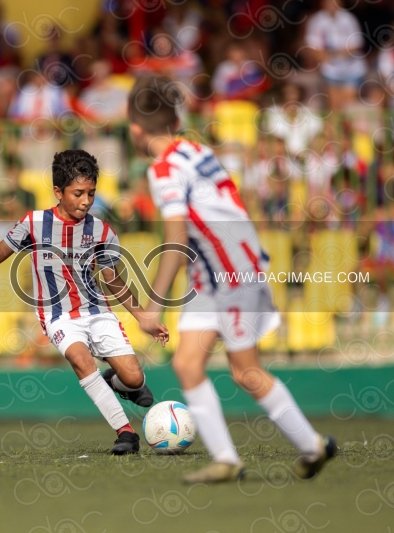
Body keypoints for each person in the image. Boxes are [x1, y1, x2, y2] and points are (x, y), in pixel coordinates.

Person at [127, 74, 336, 483]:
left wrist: (152, 306)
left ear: (136, 129)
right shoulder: (195, 150)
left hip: (230, 275)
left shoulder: (164, 168)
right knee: (188, 364)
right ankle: (230, 459)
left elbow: (176, 235)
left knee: (245, 371)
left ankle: (310, 445)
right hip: (222, 270)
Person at [0, 150, 169, 455]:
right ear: (58, 192)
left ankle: (118, 382)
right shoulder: (34, 222)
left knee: (134, 378)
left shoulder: (101, 231)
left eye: (91, 194)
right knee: (81, 360)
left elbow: (112, 279)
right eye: (78, 193)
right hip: (58, 315)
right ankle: (126, 433)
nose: (86, 201)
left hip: (97, 311)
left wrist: (143, 317)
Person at [304, 0, 367, 111]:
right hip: (329, 71)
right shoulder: (316, 21)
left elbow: (355, 46)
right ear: (322, 3)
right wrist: (329, 55)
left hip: (352, 70)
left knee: (349, 107)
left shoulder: (349, 19)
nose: (332, 5)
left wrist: (332, 54)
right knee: (333, 106)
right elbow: (313, 49)